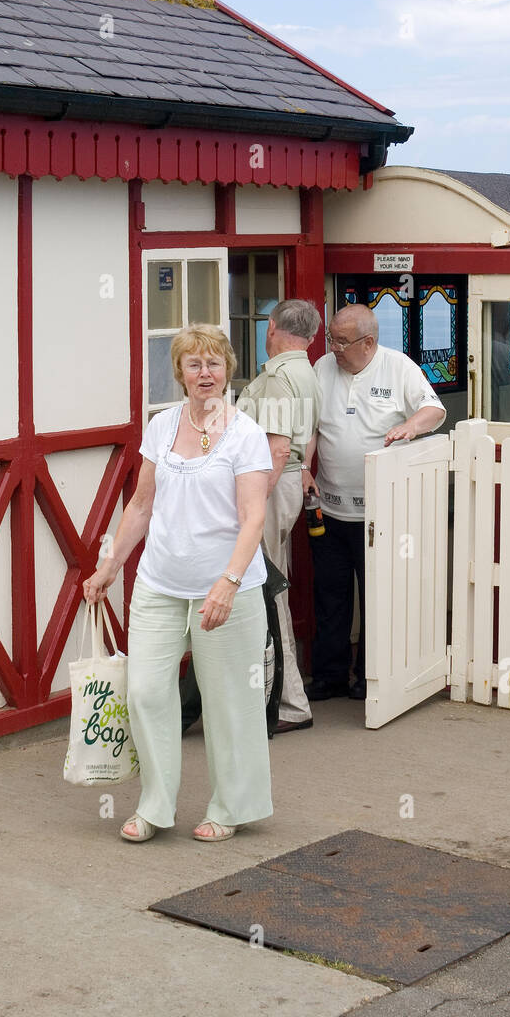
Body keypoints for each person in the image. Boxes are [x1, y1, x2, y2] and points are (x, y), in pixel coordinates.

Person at [83, 324, 273, 843]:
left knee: (229, 700)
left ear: (227, 369)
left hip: (226, 588)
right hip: (159, 582)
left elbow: (252, 517)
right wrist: (109, 564)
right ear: (180, 373)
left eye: (213, 363)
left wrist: (228, 582)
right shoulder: (162, 426)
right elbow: (142, 505)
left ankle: (230, 807)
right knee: (145, 692)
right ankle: (155, 805)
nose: (205, 373)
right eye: (194, 364)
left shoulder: (246, 434)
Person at [306, 303, 446, 702]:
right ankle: (329, 676)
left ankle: (369, 677)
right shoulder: (322, 368)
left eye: (342, 341)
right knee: (330, 595)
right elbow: (314, 425)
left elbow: (434, 410)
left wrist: (408, 426)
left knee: (377, 596)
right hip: (329, 507)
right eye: (331, 337)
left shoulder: (398, 367)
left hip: (378, 514)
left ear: (368, 342)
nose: (333, 346)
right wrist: (302, 465)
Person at [236, 299, 323, 733]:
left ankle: (289, 703)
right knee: (271, 585)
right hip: (289, 483)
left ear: (270, 328)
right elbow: (306, 442)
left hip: (271, 486)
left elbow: (277, 447)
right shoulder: (307, 373)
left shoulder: (277, 377)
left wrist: (253, 503)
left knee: (269, 589)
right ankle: (279, 696)